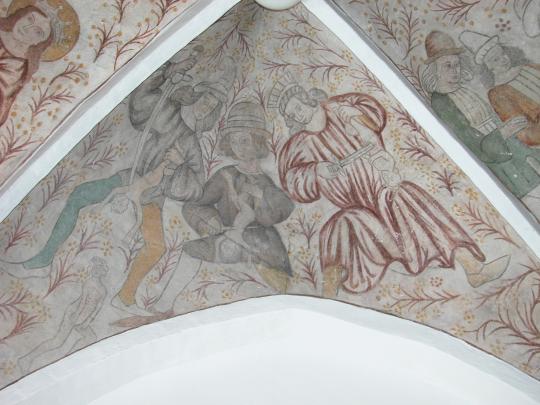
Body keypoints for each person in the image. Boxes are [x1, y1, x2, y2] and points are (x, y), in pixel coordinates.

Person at [274, 76, 510, 297]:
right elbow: (294, 183)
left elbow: (373, 120)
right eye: (293, 114)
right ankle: (329, 301)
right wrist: (316, 170)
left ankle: (472, 267)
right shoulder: (298, 145)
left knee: (408, 197)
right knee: (338, 227)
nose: (299, 114)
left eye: (298, 106)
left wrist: (358, 123)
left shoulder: (338, 109)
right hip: (355, 207)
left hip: (382, 188)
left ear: (306, 99)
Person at [422, 30, 540, 218]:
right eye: (447, 66)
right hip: (504, 165)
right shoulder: (441, 102)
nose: (455, 70)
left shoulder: (465, 90)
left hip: (518, 154)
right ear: (434, 70)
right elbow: (470, 144)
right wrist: (502, 133)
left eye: (457, 64)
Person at [18, 256, 109, 374]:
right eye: (94, 268)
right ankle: (26, 359)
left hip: (83, 318)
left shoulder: (103, 290)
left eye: (97, 269)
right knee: (57, 342)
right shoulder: (89, 283)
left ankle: (68, 361)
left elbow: (97, 309)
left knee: (90, 337)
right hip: (74, 313)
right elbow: (82, 302)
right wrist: (76, 317)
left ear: (101, 272)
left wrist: (86, 321)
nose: (94, 271)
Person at [460, 30, 540, 147]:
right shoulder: (498, 93)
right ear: (488, 66)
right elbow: (524, 133)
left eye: (502, 54)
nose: (503, 59)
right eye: (495, 59)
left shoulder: (529, 67)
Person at [0, 5, 53, 126]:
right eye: (29, 19)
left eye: (38, 32)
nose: (27, 28)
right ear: (19, 16)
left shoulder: (20, 68)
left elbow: (5, 99)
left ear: (39, 42)